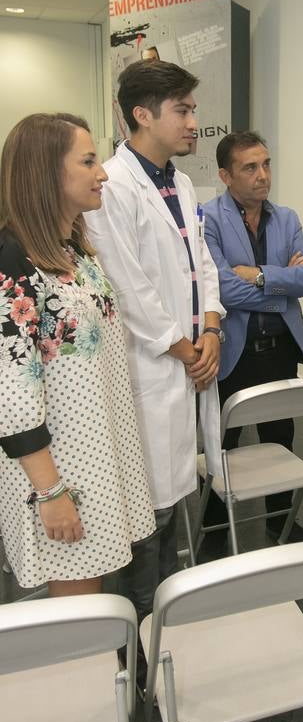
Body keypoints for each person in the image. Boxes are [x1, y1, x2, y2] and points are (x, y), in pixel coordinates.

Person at [85, 61, 224, 622]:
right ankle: (139, 630)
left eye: (193, 109)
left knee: (177, 493)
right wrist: (183, 347)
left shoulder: (183, 182)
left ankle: (167, 613)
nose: (195, 122)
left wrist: (211, 327)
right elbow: (125, 284)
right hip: (148, 367)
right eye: (183, 111)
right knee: (147, 507)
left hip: (189, 359)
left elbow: (204, 265)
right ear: (142, 115)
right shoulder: (113, 187)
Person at [0, 113, 155, 596]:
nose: (103, 172)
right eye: (88, 162)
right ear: (47, 173)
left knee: (93, 592)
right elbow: (10, 392)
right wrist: (50, 492)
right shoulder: (13, 262)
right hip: (58, 471)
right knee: (77, 608)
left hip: (97, 453)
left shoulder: (74, 249)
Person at [202, 130, 303, 543]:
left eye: (266, 164)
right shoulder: (208, 219)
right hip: (232, 350)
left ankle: (281, 524)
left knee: (280, 437)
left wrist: (260, 276)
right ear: (225, 174)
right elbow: (219, 289)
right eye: (249, 167)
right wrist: (281, 287)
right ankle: (215, 531)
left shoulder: (286, 218)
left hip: (278, 350)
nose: (262, 175)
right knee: (222, 442)